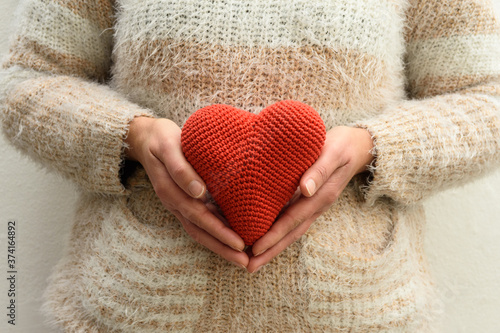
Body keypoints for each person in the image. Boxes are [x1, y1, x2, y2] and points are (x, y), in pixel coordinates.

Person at [1, 0, 499, 331]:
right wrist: (131, 135)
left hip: (355, 308)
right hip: (136, 303)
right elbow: (26, 80)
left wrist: (375, 145)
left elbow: (487, 102)